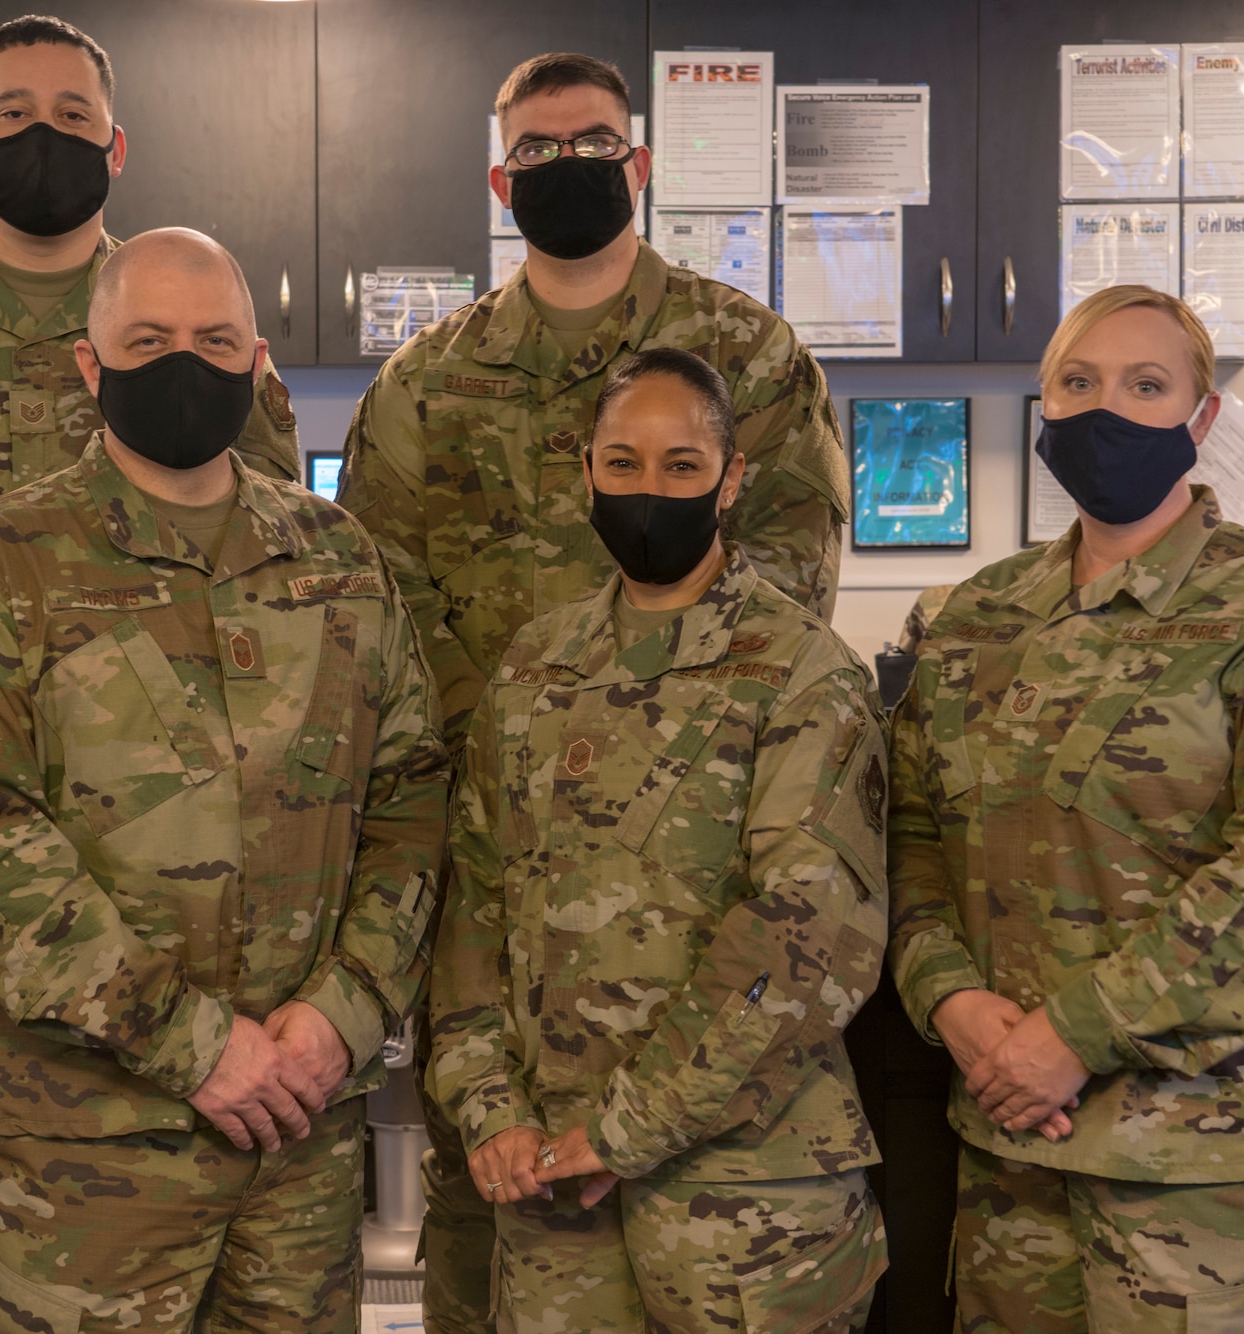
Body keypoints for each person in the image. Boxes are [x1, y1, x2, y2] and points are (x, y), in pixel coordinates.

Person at [337, 51, 852, 1329]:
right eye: (539, 149)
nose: (567, 166)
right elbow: (382, 608)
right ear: (500, 175)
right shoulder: (425, 383)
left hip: (708, 858)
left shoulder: (748, 351)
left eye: (593, 143)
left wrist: (638, 732)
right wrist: (522, 728)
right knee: (494, 1249)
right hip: (507, 875)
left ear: (639, 164)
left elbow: (788, 582)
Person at [0, 227, 449, 1332]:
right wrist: (194, 1045)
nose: (183, 362)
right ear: (89, 368)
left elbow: (412, 800)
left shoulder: (340, 560)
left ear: (255, 362)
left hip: (300, 1146)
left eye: (213, 339)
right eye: (147, 340)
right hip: (83, 1152)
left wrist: (339, 1014)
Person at [888, 284, 1244, 1332]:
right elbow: (911, 837)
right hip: (1009, 1150)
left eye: (1143, 384)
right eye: (1075, 382)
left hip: (1207, 1166)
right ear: (1043, 407)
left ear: (1199, 421)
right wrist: (949, 1001)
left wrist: (1066, 1033)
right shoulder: (974, 617)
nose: (1103, 406)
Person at [428, 348, 888, 1332]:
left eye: (681, 465)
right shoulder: (532, 669)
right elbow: (472, 910)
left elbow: (804, 936)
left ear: (729, 482)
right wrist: (486, 1106)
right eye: (622, 462)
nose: (649, 487)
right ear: (583, 474)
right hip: (550, 1192)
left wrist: (621, 1128)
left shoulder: (801, 674)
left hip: (743, 1207)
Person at [0, 14, 300, 540]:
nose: (43, 135)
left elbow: (267, 512)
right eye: (14, 112)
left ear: (116, 151)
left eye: (73, 115)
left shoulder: (194, 313)